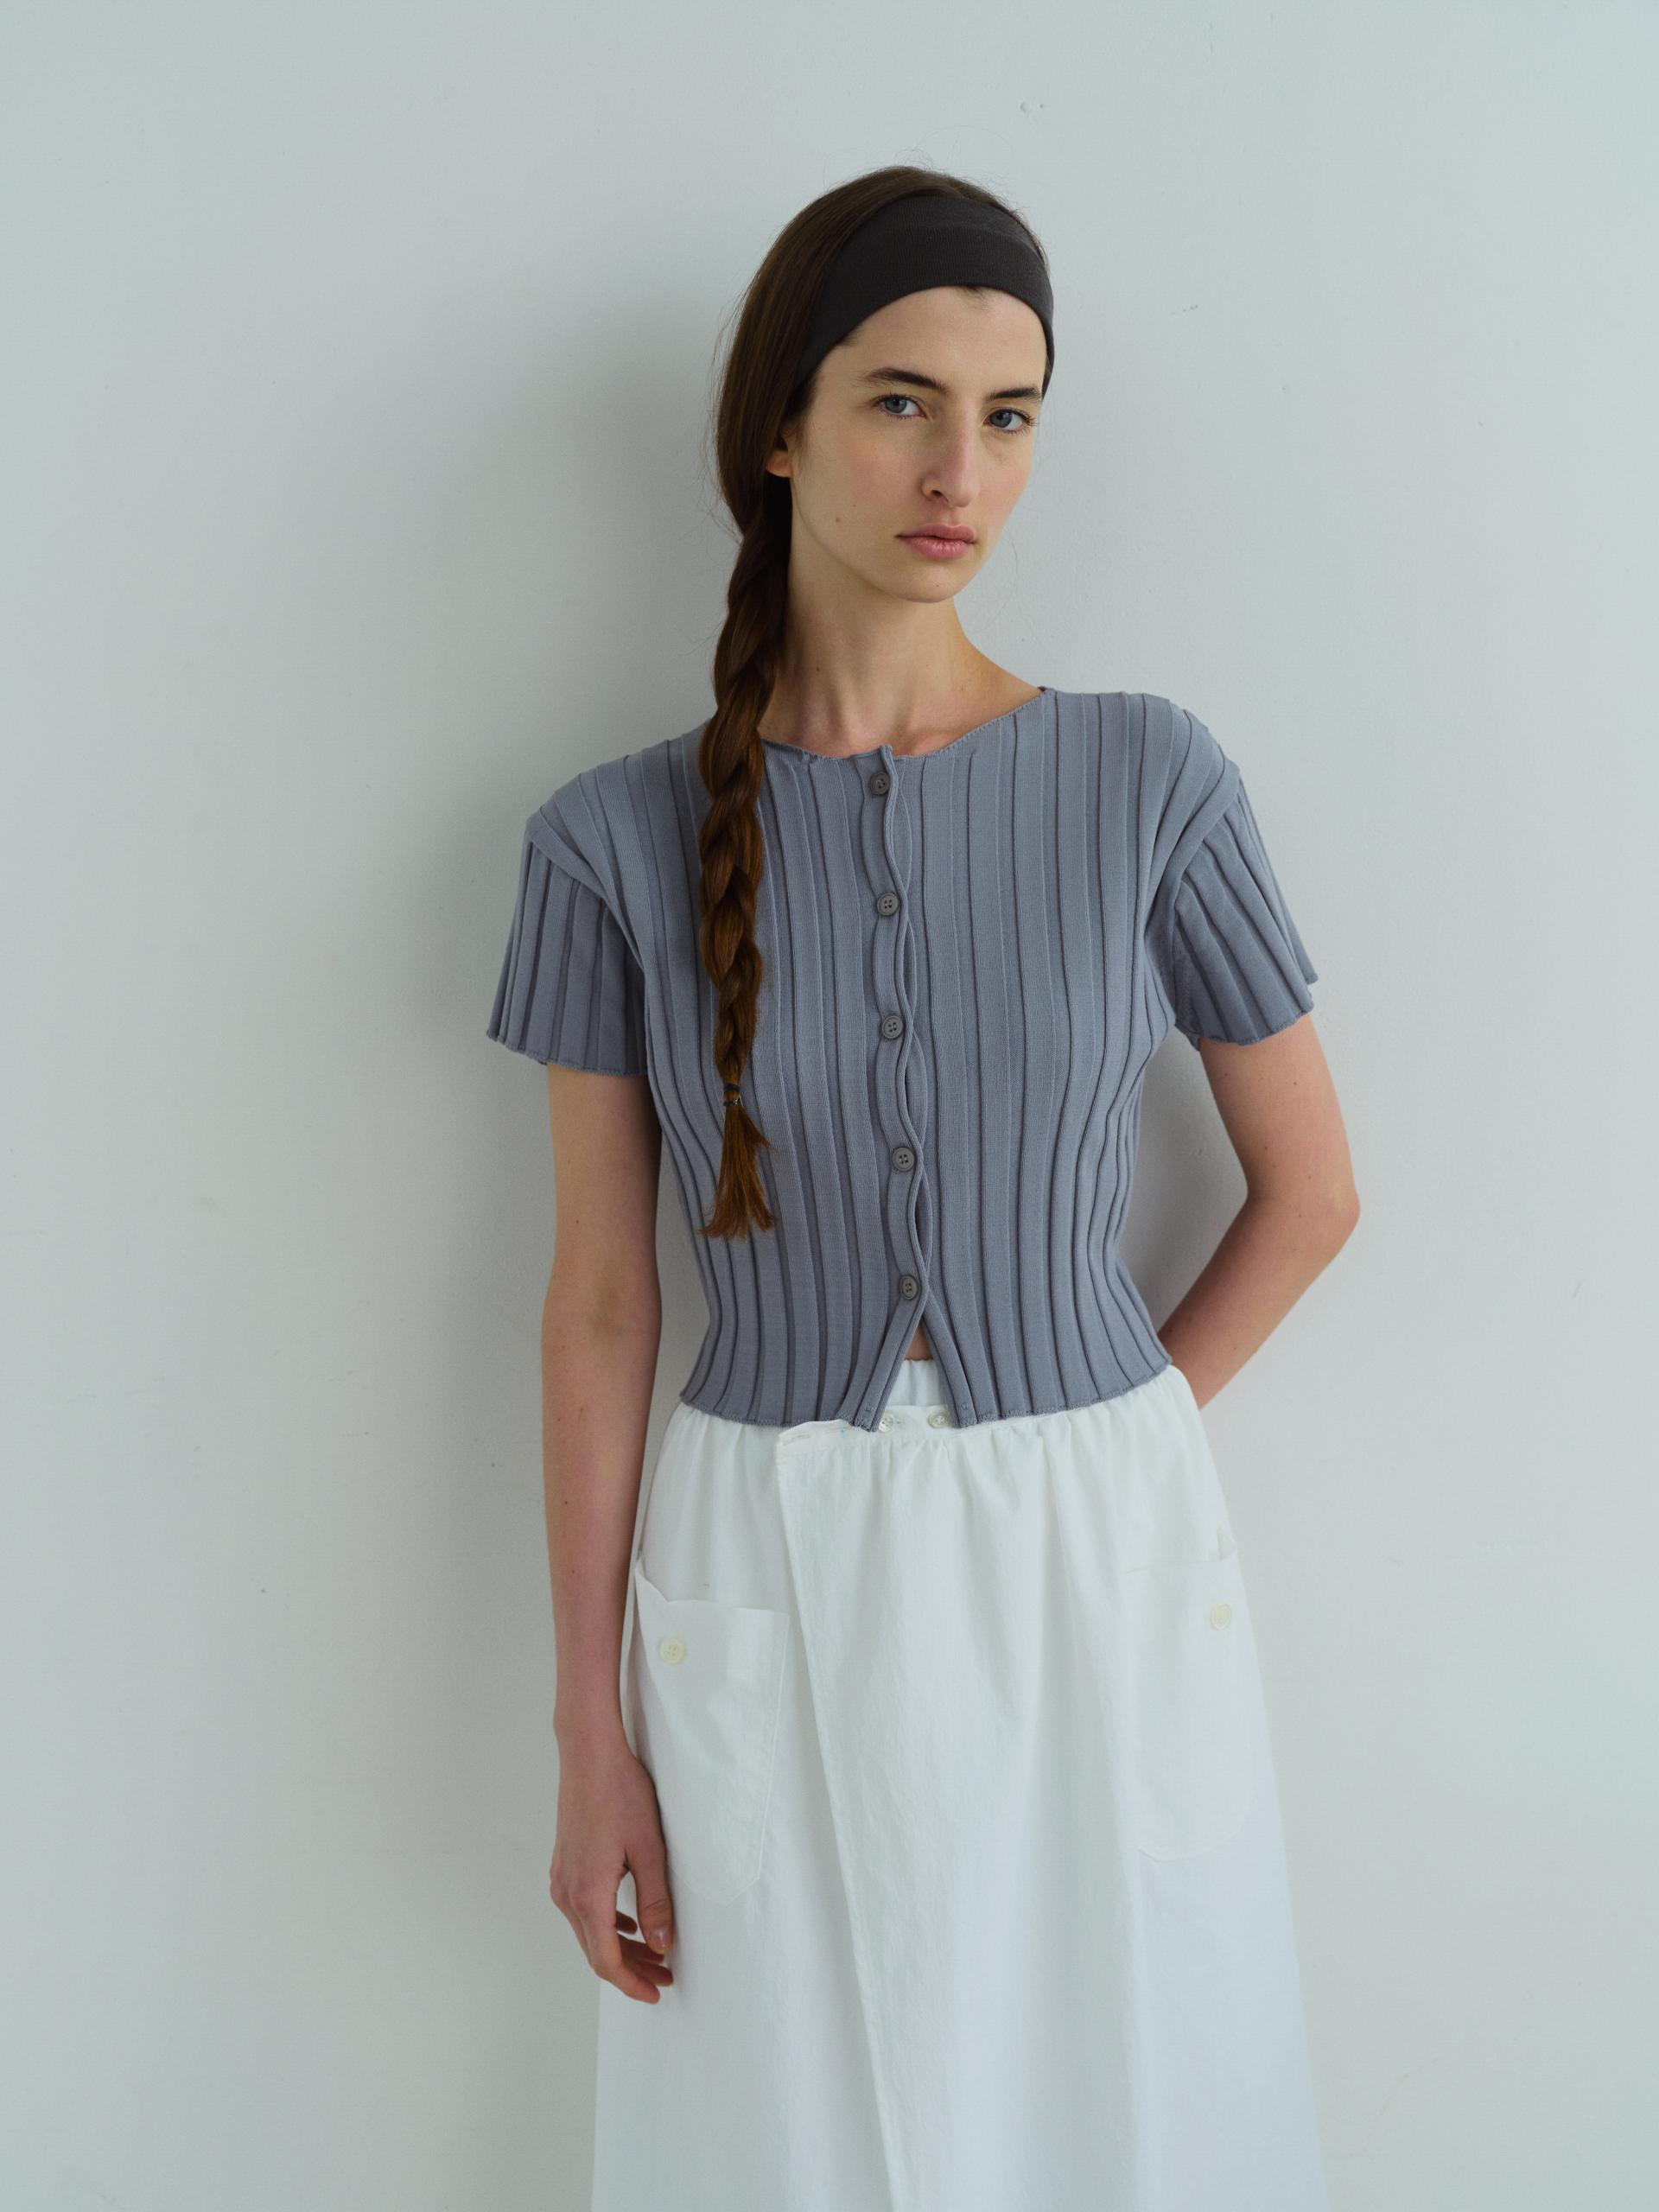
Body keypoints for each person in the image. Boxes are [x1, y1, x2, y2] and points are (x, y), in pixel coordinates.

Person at [486, 163, 1357, 2212]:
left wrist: (1104, 1437)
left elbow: (1309, 1188)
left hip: (1095, 1543)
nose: (962, 470)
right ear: (783, 428)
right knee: (789, 2130)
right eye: (902, 402)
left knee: (1130, 2097)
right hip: (761, 1550)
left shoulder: (1150, 778)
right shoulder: (608, 840)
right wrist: (588, 1730)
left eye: (1010, 414)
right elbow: (603, 1300)